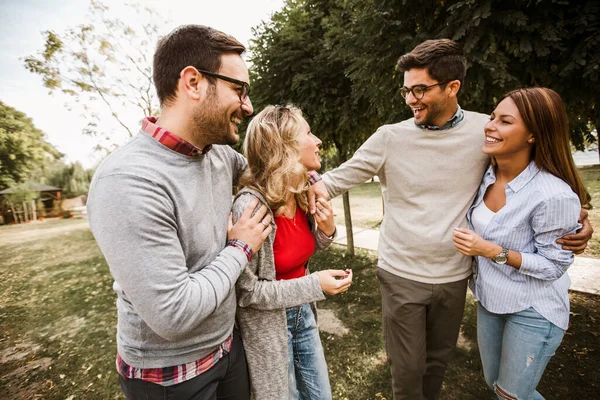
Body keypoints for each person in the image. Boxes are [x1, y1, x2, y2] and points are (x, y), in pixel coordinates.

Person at [309, 39, 593, 400]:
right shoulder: (389, 137)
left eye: (420, 89)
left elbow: (538, 176)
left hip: (456, 277)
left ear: (452, 87)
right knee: (407, 371)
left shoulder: (486, 132)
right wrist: (277, 187)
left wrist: (578, 219)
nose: (411, 98)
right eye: (406, 91)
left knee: (437, 364)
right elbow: (332, 182)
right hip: (402, 274)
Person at [87, 25, 272, 399]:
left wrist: (312, 177)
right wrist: (241, 248)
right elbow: (174, 314)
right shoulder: (128, 181)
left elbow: (263, 172)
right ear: (193, 82)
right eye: (239, 90)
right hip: (170, 375)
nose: (248, 106)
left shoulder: (218, 154)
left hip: (227, 347)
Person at [452, 87, 591, 400]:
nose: (490, 126)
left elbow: (554, 266)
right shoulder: (484, 174)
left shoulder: (552, 194)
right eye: (492, 117)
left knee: (510, 395)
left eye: (504, 121)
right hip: (490, 299)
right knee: (496, 384)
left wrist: (490, 251)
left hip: (533, 308)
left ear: (532, 135)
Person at [231, 105, 353, 400]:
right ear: (284, 147)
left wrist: (326, 230)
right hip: (270, 326)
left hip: (303, 314)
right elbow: (247, 293)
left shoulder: (300, 193)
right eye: (308, 133)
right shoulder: (251, 209)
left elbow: (299, 251)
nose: (318, 140)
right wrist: (314, 285)